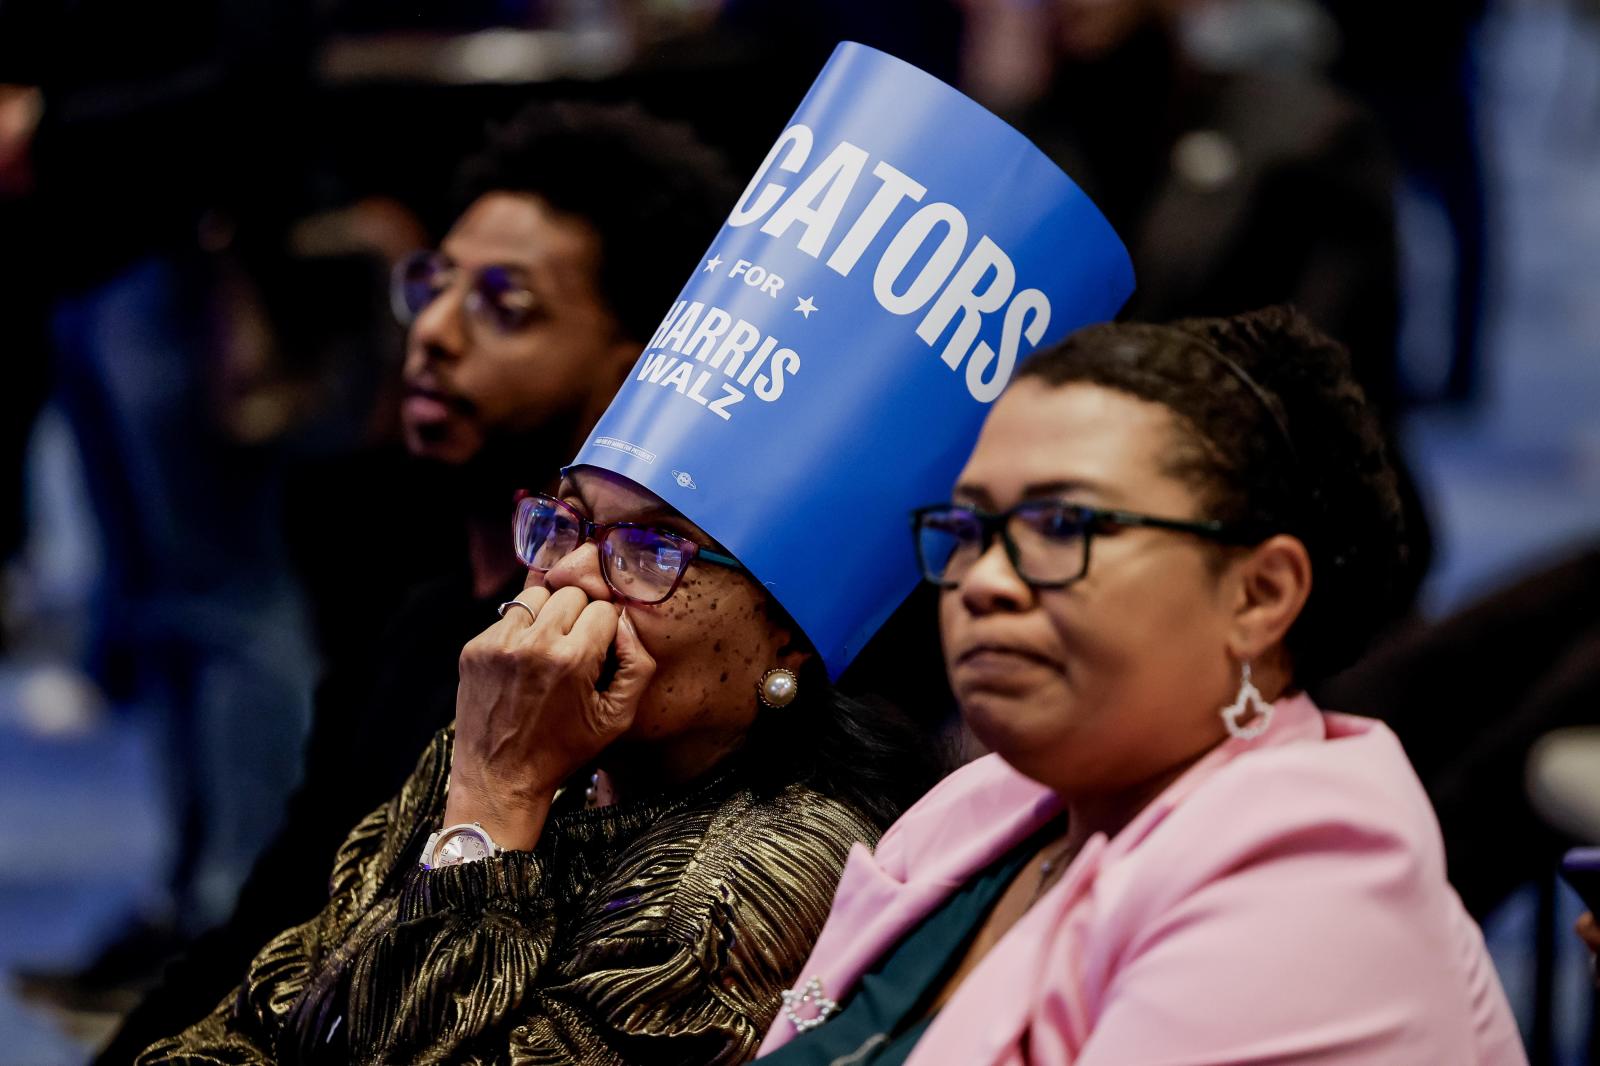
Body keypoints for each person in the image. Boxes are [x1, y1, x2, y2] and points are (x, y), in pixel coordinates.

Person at [95, 100, 748, 1061]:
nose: (433, 333)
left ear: (637, 370)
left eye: (503, 305)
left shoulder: (609, 673)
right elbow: (262, 938)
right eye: (434, 285)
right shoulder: (415, 619)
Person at [757, 307, 1527, 1065]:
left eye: (1063, 526)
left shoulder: (1309, 887)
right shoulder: (975, 806)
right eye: (970, 531)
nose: (985, 582)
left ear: (1258, 595)